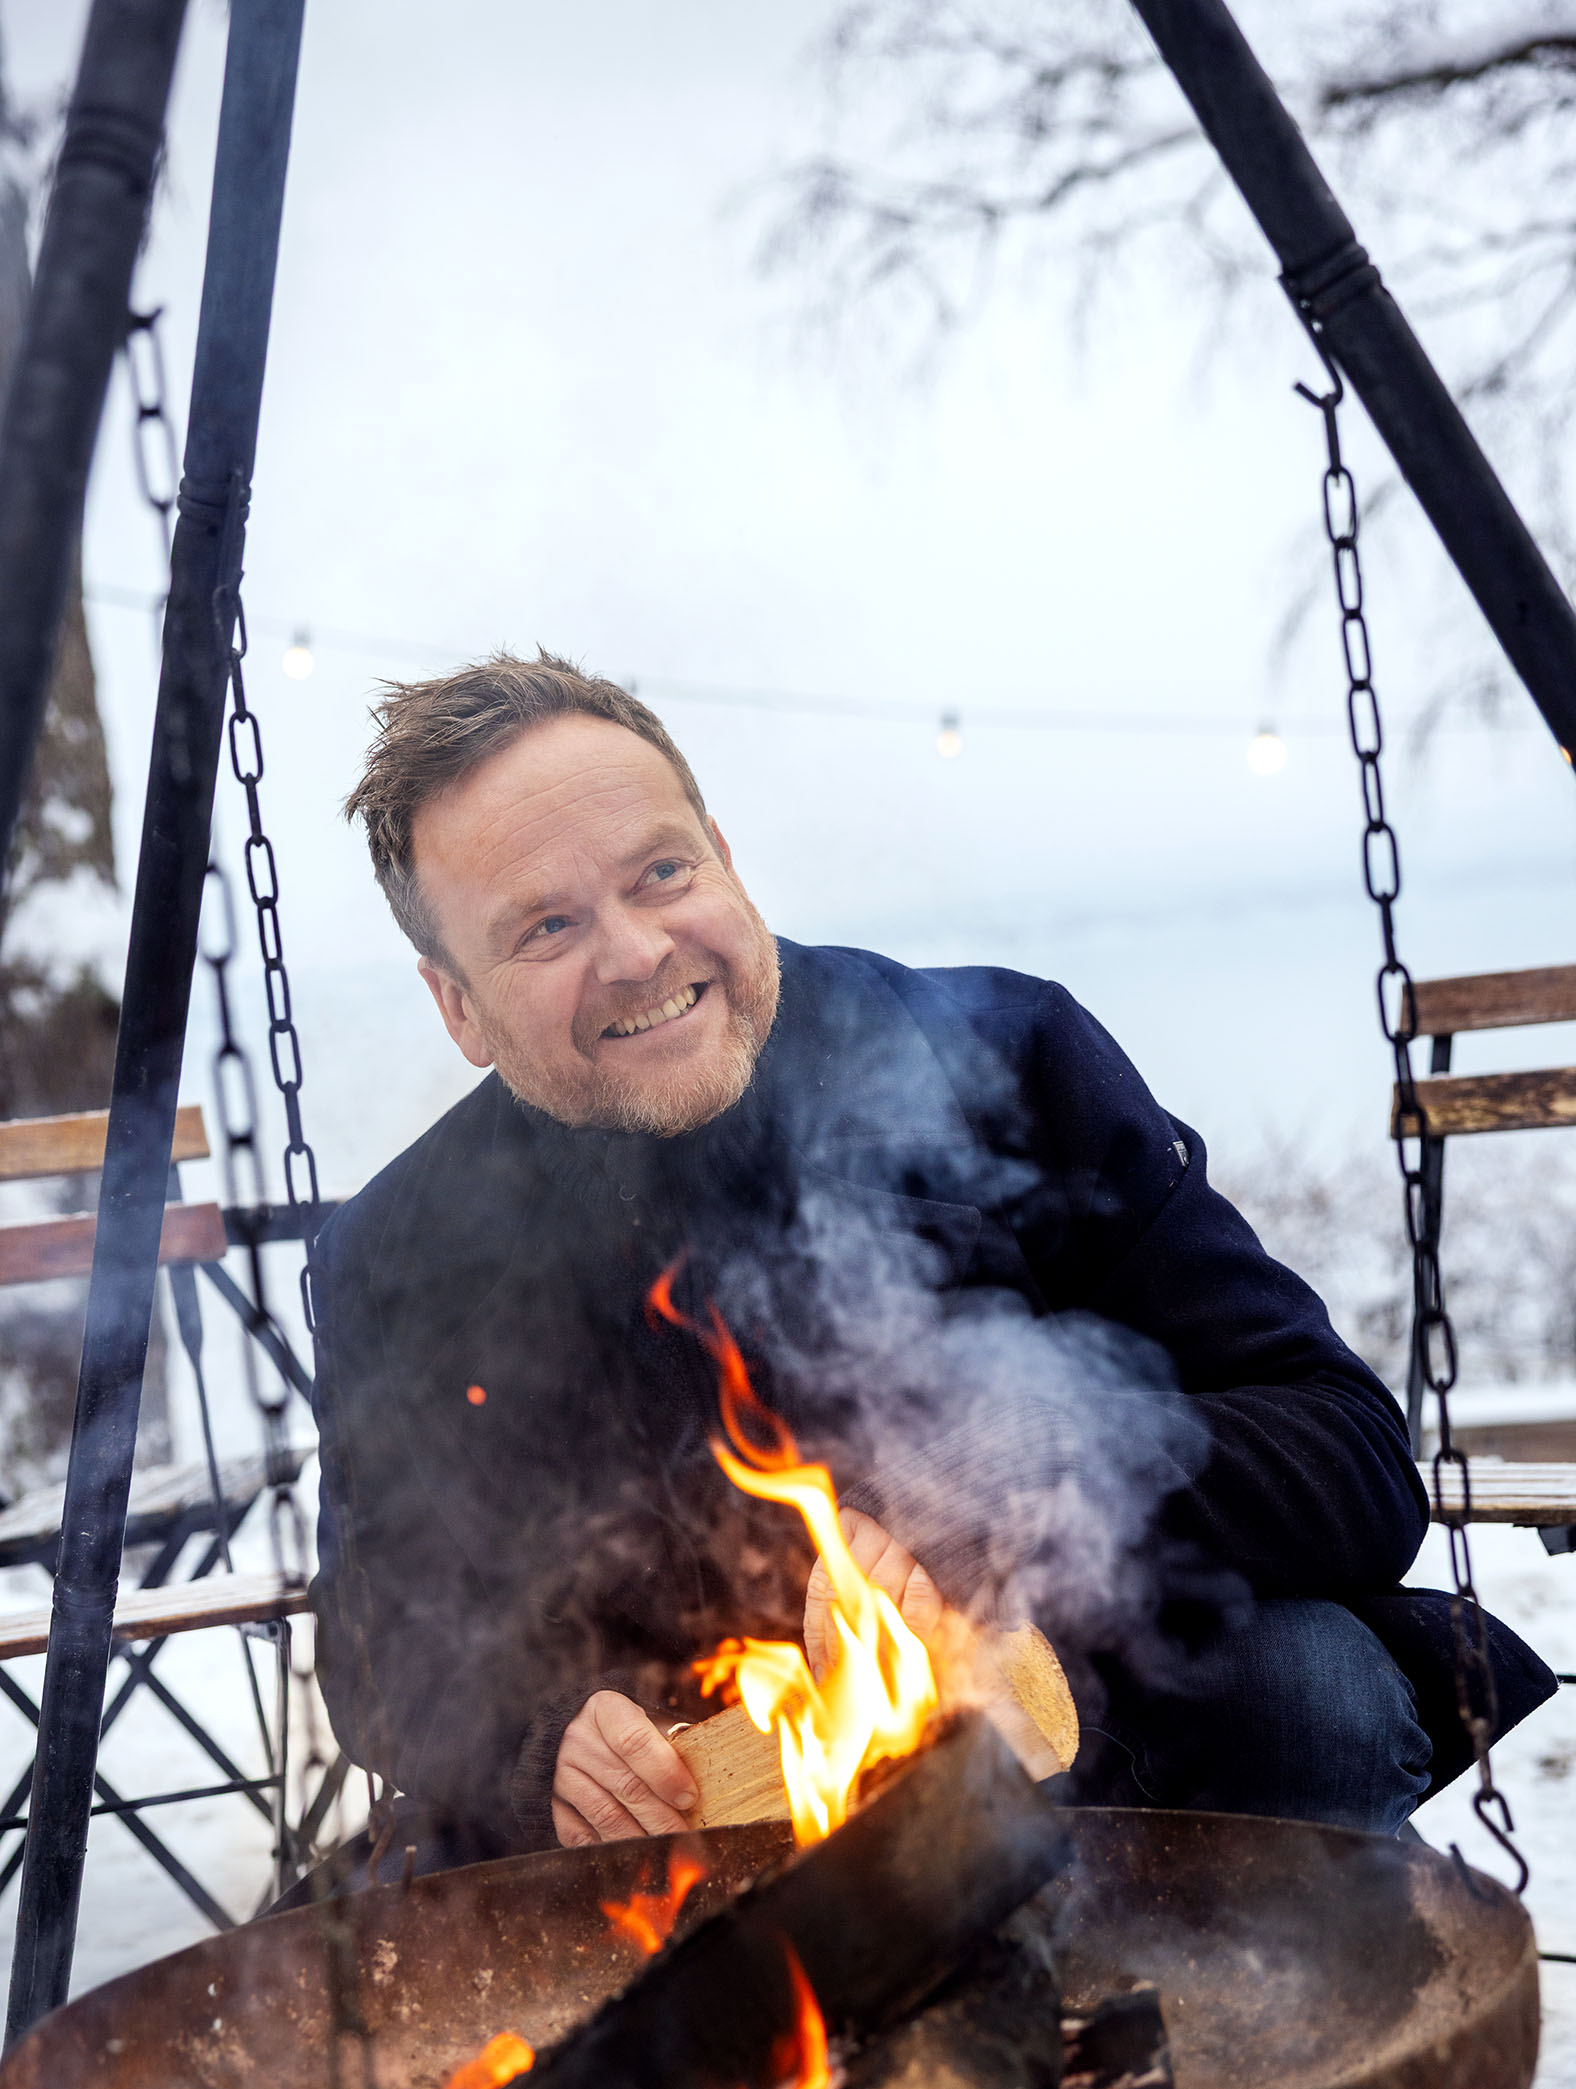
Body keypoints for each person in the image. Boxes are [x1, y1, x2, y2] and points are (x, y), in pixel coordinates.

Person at [310, 651, 1551, 1875]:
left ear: (725, 858)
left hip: (1084, 1781)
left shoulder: (1005, 1055)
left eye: (661, 871)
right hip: (702, 1852)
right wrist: (535, 1748)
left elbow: (1351, 1453)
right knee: (386, 1916)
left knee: (1309, 1689)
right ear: (456, 1005)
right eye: (546, 926)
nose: (635, 952)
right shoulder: (396, 1256)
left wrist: (1045, 1474)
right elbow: (375, 1649)